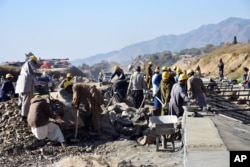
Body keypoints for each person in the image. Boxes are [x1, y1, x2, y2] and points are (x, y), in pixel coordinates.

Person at [15, 54, 41, 122]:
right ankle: (24, 116)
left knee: (22, 98)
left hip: (21, 83)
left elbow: (31, 72)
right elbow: (34, 69)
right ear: (34, 61)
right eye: (35, 63)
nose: (35, 64)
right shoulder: (30, 61)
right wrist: (39, 73)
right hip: (26, 83)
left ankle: (20, 108)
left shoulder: (24, 65)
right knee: (27, 99)